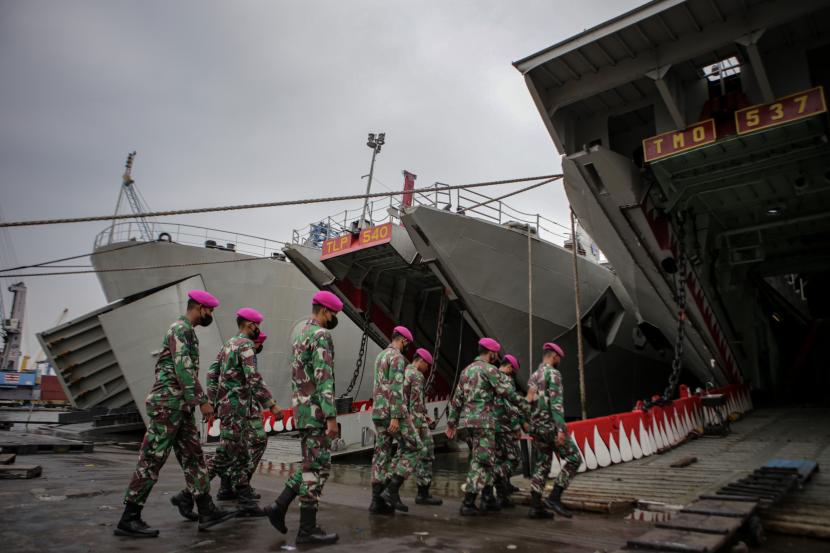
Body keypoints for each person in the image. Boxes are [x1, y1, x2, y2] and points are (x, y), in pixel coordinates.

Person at [115, 290, 234, 537]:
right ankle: (129, 518)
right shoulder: (180, 329)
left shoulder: (187, 332)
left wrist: (193, 402)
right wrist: (203, 401)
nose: (211, 314)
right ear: (199, 307)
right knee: (151, 460)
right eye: (209, 310)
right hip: (167, 405)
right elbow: (183, 370)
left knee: (194, 458)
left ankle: (206, 510)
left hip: (180, 406)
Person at [264, 291, 341, 545]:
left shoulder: (301, 334)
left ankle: (280, 506)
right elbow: (323, 377)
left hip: (303, 411)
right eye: (334, 314)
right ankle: (306, 529)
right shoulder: (320, 335)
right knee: (318, 468)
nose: (335, 318)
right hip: (318, 412)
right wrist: (331, 416)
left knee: (311, 464)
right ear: (324, 311)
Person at [445, 338, 535, 516]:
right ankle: (469, 502)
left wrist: (452, 423)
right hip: (484, 423)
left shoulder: (466, 371)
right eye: (495, 353)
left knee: (484, 459)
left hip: (469, 422)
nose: (497, 356)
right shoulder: (490, 370)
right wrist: (527, 404)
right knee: (483, 461)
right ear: (491, 353)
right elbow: (508, 394)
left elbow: (456, 400)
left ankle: (488, 498)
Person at [208, 308, 281, 516]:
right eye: (257, 324)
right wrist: (271, 404)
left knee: (240, 452)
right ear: (249, 324)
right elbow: (253, 377)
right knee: (224, 453)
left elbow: (212, 373)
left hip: (231, 407)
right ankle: (190, 494)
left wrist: (214, 401)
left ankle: (245, 500)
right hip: (238, 409)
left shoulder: (228, 344)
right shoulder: (246, 345)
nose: (258, 329)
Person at [369, 325, 423, 515]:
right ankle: (391, 490)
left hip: (378, 412)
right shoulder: (398, 358)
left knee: (381, 453)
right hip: (392, 413)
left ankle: (376, 502)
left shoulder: (380, 356)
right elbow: (396, 388)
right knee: (415, 446)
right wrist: (396, 416)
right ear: (404, 340)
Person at [526, 342, 580, 520]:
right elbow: (556, 405)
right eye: (559, 358)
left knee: (541, 464)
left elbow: (529, 401)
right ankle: (554, 497)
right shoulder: (554, 374)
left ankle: (535, 507)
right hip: (550, 426)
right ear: (554, 356)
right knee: (574, 459)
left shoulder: (534, 375)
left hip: (537, 427)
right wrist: (561, 430)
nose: (559, 360)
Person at [403, 348, 442, 506]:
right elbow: (416, 403)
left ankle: (387, 489)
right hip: (415, 421)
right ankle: (423, 494)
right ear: (421, 361)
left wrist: (425, 416)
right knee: (426, 452)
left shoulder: (405, 372)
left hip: (405, 419)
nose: (428, 369)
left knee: (404, 454)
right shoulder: (417, 375)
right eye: (428, 365)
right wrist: (420, 425)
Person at [493, 354, 526, 508]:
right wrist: (517, 427)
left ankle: (503, 493)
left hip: (492, 426)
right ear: (510, 367)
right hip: (505, 426)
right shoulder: (507, 380)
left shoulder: (491, 376)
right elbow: (511, 407)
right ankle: (495, 475)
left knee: (500, 457)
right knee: (514, 458)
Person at [245, 331, 270, 490]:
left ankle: (230, 485)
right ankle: (242, 483)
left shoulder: (233, 348)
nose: (261, 347)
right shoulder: (249, 354)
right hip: (245, 406)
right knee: (259, 440)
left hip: (238, 406)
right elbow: (254, 381)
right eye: (260, 343)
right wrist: (270, 404)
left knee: (233, 447)